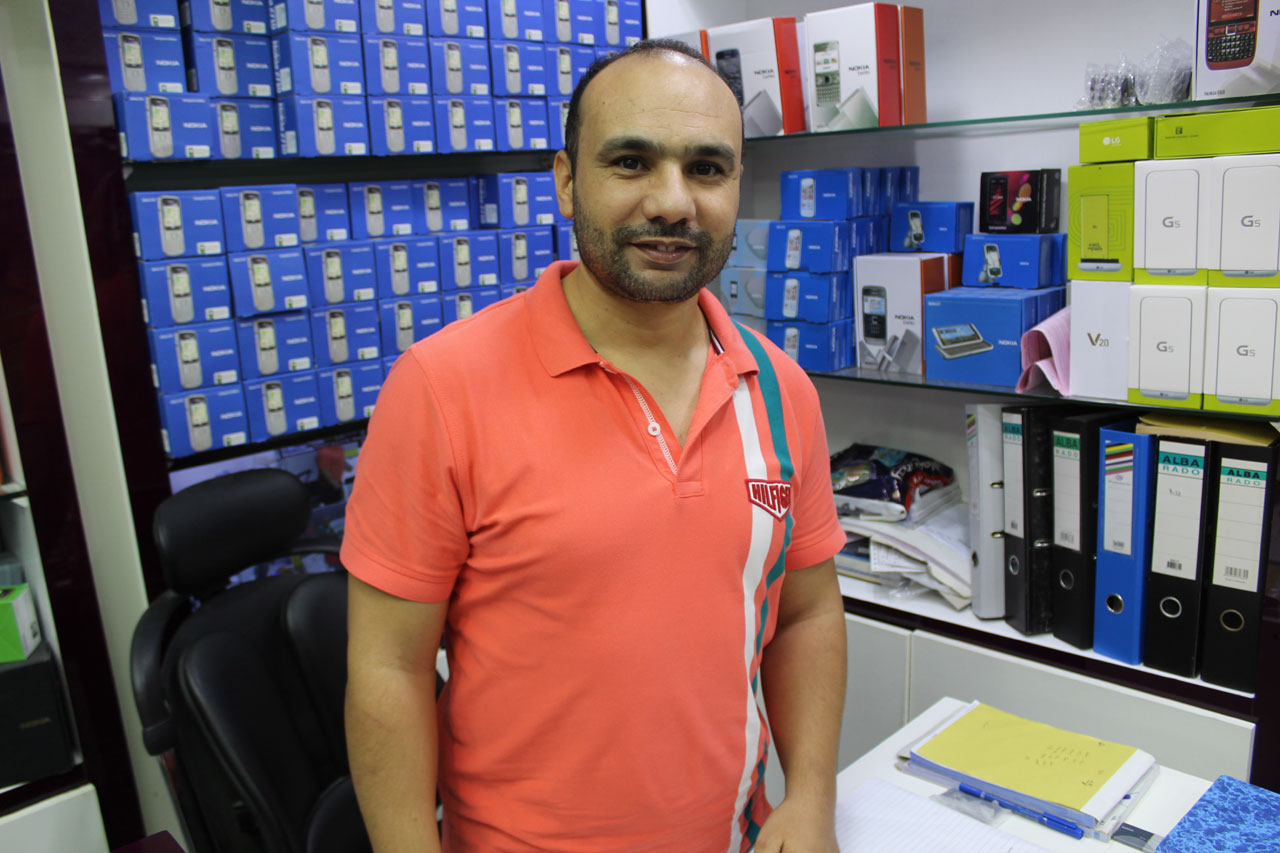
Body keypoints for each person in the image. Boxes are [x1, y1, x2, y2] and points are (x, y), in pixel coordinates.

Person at [342, 39, 848, 853]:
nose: (672, 202)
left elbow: (807, 613)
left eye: (706, 168)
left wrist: (813, 794)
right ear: (567, 180)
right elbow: (388, 668)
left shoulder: (781, 390)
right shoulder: (441, 388)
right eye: (631, 162)